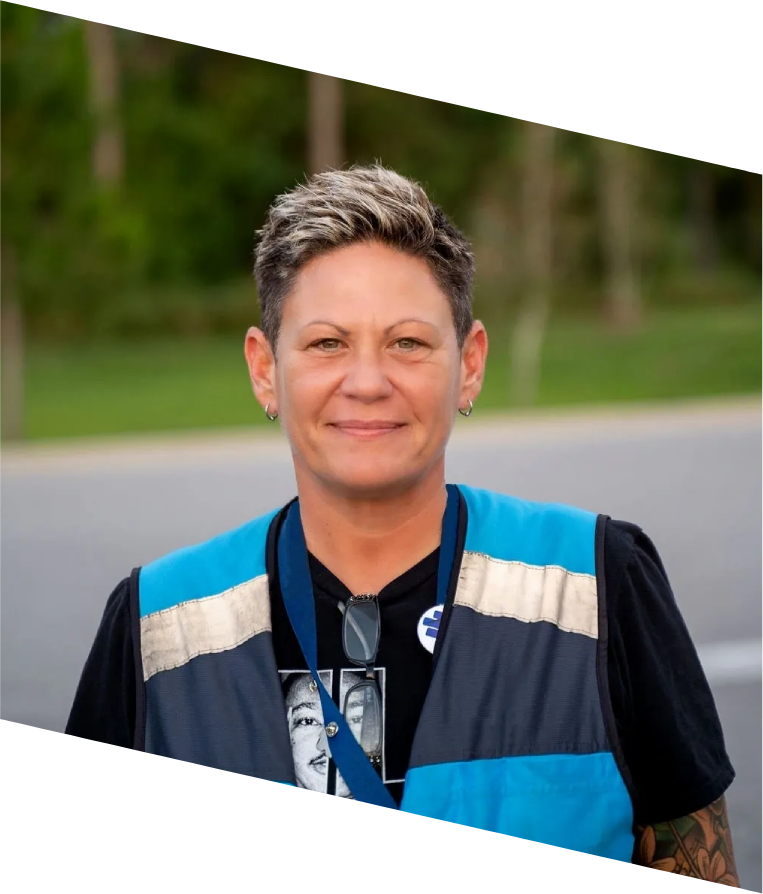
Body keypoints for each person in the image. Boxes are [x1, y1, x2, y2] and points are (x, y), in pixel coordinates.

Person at [65, 165, 738, 877]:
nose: (365, 381)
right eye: (326, 343)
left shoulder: (599, 581)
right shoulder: (154, 623)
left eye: (407, 343)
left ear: (469, 364)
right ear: (265, 369)